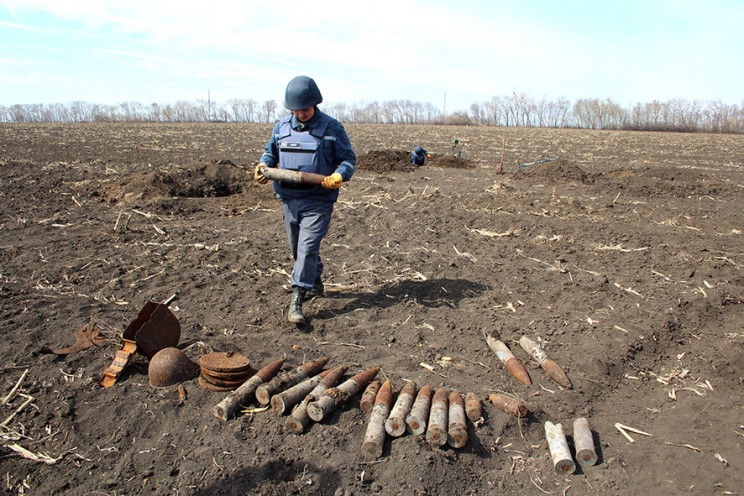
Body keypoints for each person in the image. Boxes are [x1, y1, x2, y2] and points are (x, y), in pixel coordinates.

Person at [254, 75, 356, 325]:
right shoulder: (281, 127)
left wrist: (338, 175)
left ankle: (298, 296)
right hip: (289, 199)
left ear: (316, 104)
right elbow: (271, 152)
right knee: (296, 249)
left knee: (307, 247)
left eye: (306, 110)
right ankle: (315, 281)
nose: (301, 114)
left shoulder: (332, 128)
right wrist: (263, 166)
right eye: (296, 111)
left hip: (318, 201)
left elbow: (348, 160)